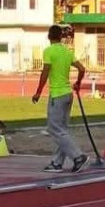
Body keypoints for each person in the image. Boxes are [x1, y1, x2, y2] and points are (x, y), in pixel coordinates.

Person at [33, 25, 89, 173]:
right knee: (62, 130)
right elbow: (82, 69)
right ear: (61, 37)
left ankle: (77, 156)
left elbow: (45, 73)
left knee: (54, 128)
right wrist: (78, 83)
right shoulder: (67, 51)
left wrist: (38, 92)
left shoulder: (49, 51)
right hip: (68, 94)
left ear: (49, 36)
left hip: (57, 95)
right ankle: (57, 162)